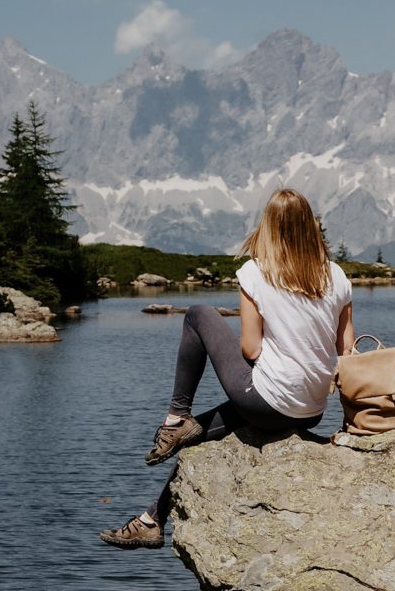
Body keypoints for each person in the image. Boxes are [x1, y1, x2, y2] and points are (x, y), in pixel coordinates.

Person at [99, 188, 355, 549]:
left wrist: (272, 360)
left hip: (269, 403)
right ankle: (152, 519)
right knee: (200, 434)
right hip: (311, 411)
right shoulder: (337, 276)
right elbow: (348, 352)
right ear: (309, 227)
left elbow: (250, 348)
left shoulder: (256, 272)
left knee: (198, 314)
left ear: (269, 227)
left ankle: (174, 417)